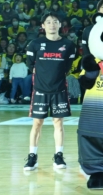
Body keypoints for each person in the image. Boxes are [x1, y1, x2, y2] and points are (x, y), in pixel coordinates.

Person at [24, 13, 76, 171]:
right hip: (40, 89)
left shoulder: (68, 45)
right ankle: (32, 157)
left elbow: (68, 66)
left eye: (55, 21)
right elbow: (30, 64)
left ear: (60, 25)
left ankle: (58, 156)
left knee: (58, 123)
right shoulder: (35, 44)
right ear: (43, 26)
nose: (52, 24)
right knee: (37, 123)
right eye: (48, 22)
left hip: (59, 89)